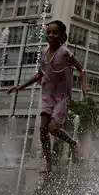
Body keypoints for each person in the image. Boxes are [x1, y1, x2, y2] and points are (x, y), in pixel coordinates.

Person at [7, 19, 87, 173]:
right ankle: (48, 163)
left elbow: (81, 69)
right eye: (48, 32)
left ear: (62, 35)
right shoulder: (43, 52)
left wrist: (84, 85)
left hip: (62, 97)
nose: (50, 35)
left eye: (55, 32)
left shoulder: (64, 52)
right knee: (43, 129)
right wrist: (20, 86)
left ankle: (72, 143)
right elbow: (39, 74)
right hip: (47, 95)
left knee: (52, 128)